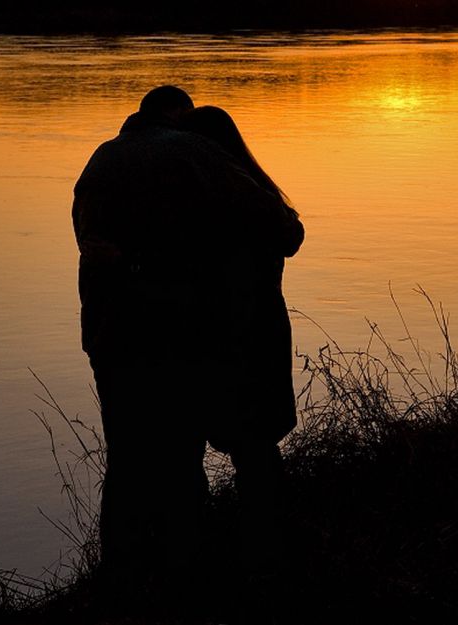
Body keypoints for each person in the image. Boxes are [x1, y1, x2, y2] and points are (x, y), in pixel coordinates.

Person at [71, 86, 303, 595]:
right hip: (176, 334)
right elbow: (282, 232)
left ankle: (122, 583)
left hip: (109, 340)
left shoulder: (100, 161)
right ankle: (190, 578)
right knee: (183, 461)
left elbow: (89, 248)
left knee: (127, 463)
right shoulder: (193, 154)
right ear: (178, 115)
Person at [181, 106, 304, 578]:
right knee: (255, 442)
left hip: (233, 331)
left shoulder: (219, 191)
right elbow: (291, 235)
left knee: (248, 442)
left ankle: (262, 552)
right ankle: (267, 545)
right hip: (261, 328)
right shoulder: (252, 186)